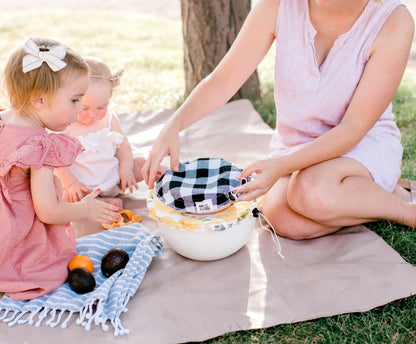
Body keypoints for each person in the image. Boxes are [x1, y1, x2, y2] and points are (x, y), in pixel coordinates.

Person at [142, 0, 415, 240]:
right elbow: (224, 80)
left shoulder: (393, 21)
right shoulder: (278, 6)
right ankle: (358, 196)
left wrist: (280, 165)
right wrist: (173, 125)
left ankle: (404, 210)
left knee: (310, 192)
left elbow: (353, 128)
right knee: (279, 218)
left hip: (360, 145)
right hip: (296, 146)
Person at [0, 38, 121, 300]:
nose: (79, 111)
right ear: (40, 100)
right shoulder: (40, 145)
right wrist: (85, 209)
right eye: (75, 100)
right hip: (12, 234)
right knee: (48, 266)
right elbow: (48, 211)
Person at [55, 57, 157, 210]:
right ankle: (101, 203)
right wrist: (71, 183)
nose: (92, 115)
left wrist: (126, 169)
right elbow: (58, 162)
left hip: (114, 178)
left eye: (101, 107)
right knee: (57, 192)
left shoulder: (110, 118)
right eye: (85, 108)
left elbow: (123, 146)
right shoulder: (65, 125)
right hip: (82, 186)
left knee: (143, 164)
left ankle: (169, 184)